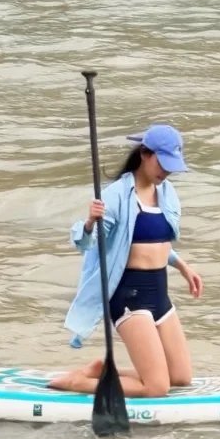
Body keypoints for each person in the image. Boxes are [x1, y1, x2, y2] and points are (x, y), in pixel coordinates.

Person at [49, 124, 203, 398]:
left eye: (171, 167)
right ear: (145, 154)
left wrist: (183, 267)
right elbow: (88, 243)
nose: (166, 172)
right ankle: (78, 383)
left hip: (159, 293)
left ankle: (103, 371)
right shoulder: (116, 195)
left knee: (181, 377)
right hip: (129, 297)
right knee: (157, 387)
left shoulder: (167, 193)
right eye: (162, 164)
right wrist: (90, 222)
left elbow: (154, 244)